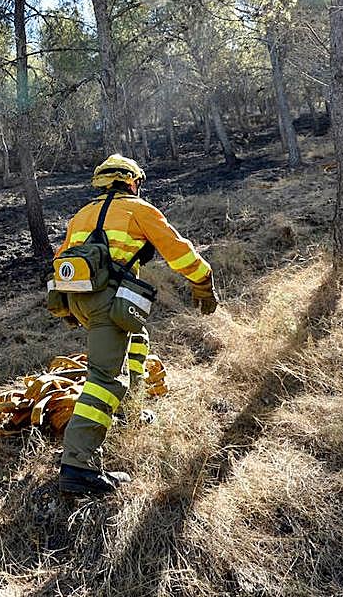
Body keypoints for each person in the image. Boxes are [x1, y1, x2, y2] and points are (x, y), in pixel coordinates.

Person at [47, 155, 219, 495]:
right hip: (108, 302)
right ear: (132, 182)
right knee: (105, 379)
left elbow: (59, 262)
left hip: (81, 300)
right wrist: (204, 281)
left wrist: (67, 309)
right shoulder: (139, 209)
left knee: (137, 336)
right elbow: (178, 250)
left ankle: (130, 410)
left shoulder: (81, 215)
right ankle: (77, 466)